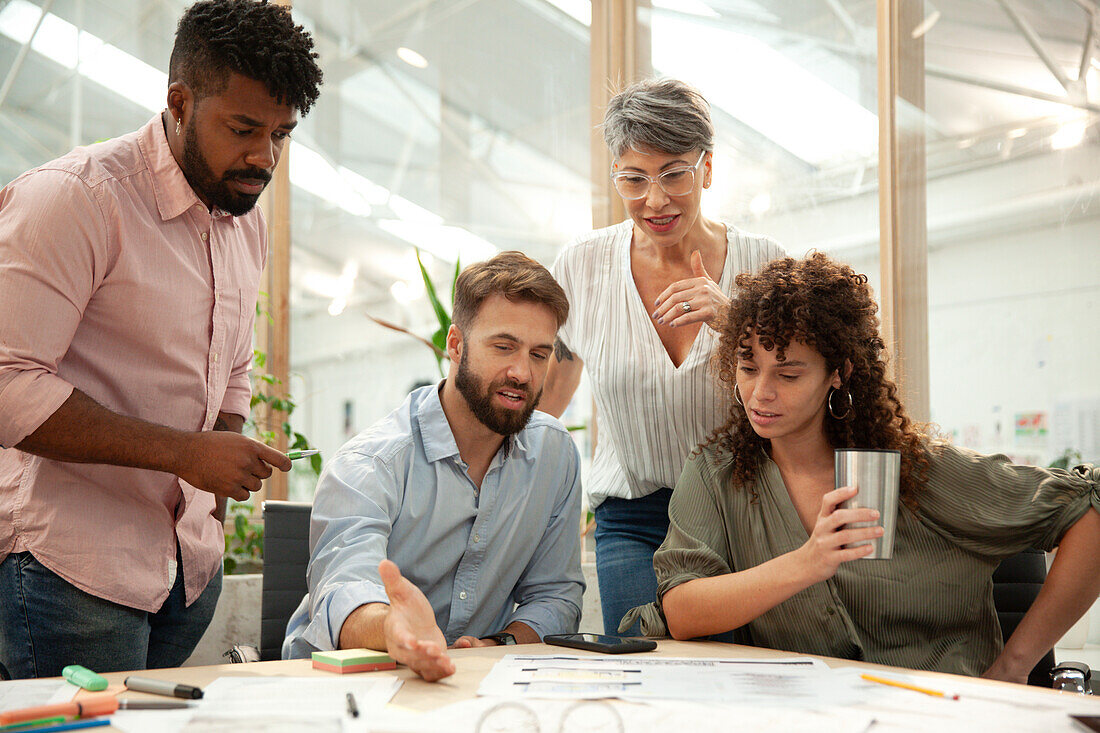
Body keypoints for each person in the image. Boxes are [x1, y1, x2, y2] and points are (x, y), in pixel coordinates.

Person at [0, 0, 323, 678]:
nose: (263, 157)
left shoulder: (245, 221)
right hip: (70, 570)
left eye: (281, 135)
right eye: (242, 128)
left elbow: (233, 363)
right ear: (179, 100)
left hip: (185, 575)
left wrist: (225, 459)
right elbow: (8, 385)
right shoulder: (77, 198)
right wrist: (186, 453)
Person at [621, 253, 1100, 682]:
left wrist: (1014, 668)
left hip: (942, 714)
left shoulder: (910, 469)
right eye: (748, 367)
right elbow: (682, 609)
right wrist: (808, 562)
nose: (760, 392)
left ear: (838, 372)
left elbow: (1090, 509)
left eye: (788, 374)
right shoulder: (717, 474)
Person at [542, 78, 785, 635]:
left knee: (740, 677)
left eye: (674, 173)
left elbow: (798, 381)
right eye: (633, 178)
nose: (655, 200)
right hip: (634, 515)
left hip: (742, 511)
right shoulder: (581, 265)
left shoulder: (763, 263)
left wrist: (735, 320)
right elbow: (547, 390)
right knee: (642, 666)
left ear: (706, 167)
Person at [283, 252, 585, 682]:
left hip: (469, 681)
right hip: (346, 681)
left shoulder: (554, 455)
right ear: (456, 345)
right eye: (503, 347)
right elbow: (343, 591)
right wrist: (397, 629)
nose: (522, 372)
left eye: (539, 354)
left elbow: (555, 594)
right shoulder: (371, 463)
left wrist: (502, 644)